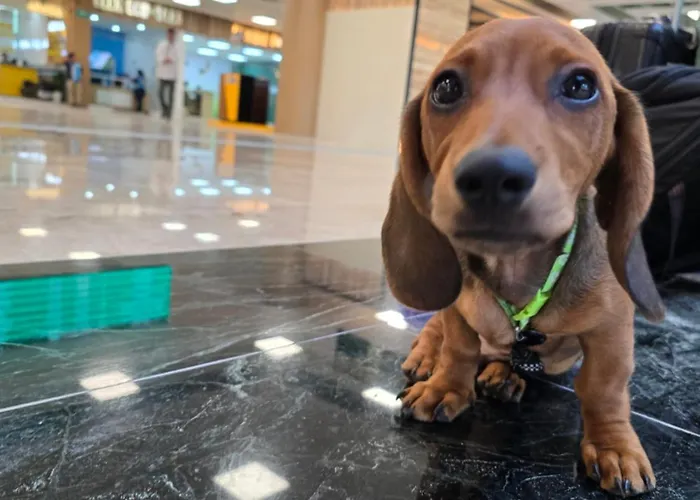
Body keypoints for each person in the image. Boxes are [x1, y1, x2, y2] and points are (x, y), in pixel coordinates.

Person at [155, 28, 178, 119]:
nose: (170, 36)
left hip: (172, 75)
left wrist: (170, 59)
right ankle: (165, 109)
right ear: (167, 35)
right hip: (162, 74)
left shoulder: (177, 47)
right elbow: (158, 56)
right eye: (169, 34)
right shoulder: (161, 45)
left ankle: (169, 113)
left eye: (172, 35)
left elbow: (177, 58)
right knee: (160, 93)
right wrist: (163, 59)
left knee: (171, 96)